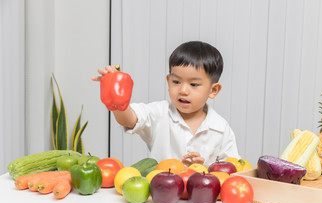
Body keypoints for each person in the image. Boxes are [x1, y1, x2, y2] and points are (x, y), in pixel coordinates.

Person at [91, 41, 240, 166]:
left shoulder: (221, 129)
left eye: (193, 84)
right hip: (160, 195)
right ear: (168, 81)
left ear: (213, 90)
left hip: (201, 198)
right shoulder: (159, 112)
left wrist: (205, 169)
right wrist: (117, 100)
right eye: (176, 82)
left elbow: (231, 171)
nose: (183, 90)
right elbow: (129, 119)